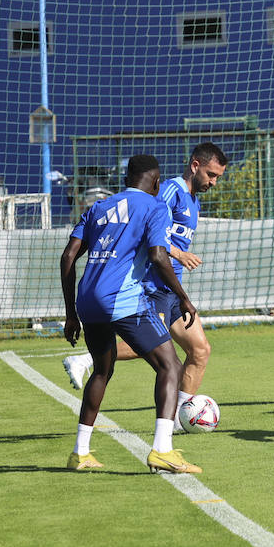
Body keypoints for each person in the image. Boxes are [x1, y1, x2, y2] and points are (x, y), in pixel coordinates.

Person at [62, 143, 229, 425]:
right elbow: (149, 225)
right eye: (211, 175)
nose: (213, 182)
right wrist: (177, 253)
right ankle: (86, 360)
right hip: (152, 283)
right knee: (157, 347)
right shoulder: (171, 190)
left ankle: (179, 418)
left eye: (218, 178)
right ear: (195, 166)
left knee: (200, 350)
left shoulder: (193, 200)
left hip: (171, 288)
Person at [59, 154, 203, 474]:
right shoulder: (155, 207)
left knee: (101, 371)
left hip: (88, 301)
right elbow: (158, 255)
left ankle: (79, 453)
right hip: (122, 300)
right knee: (170, 364)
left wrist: (71, 313)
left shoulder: (97, 208)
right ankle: (162, 450)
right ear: (155, 182)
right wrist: (184, 298)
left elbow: (68, 257)